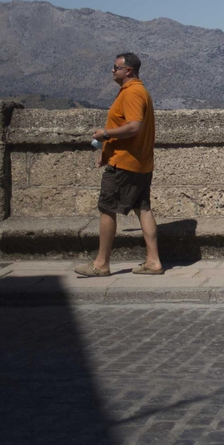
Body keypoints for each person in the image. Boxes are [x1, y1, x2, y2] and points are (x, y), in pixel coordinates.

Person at [75, 52, 161, 277]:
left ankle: (101, 264)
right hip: (141, 162)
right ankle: (153, 261)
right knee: (143, 208)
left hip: (124, 164)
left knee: (107, 209)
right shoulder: (139, 92)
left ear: (128, 71)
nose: (112, 71)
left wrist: (105, 134)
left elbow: (134, 127)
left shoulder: (132, 93)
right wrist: (105, 151)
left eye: (116, 68)